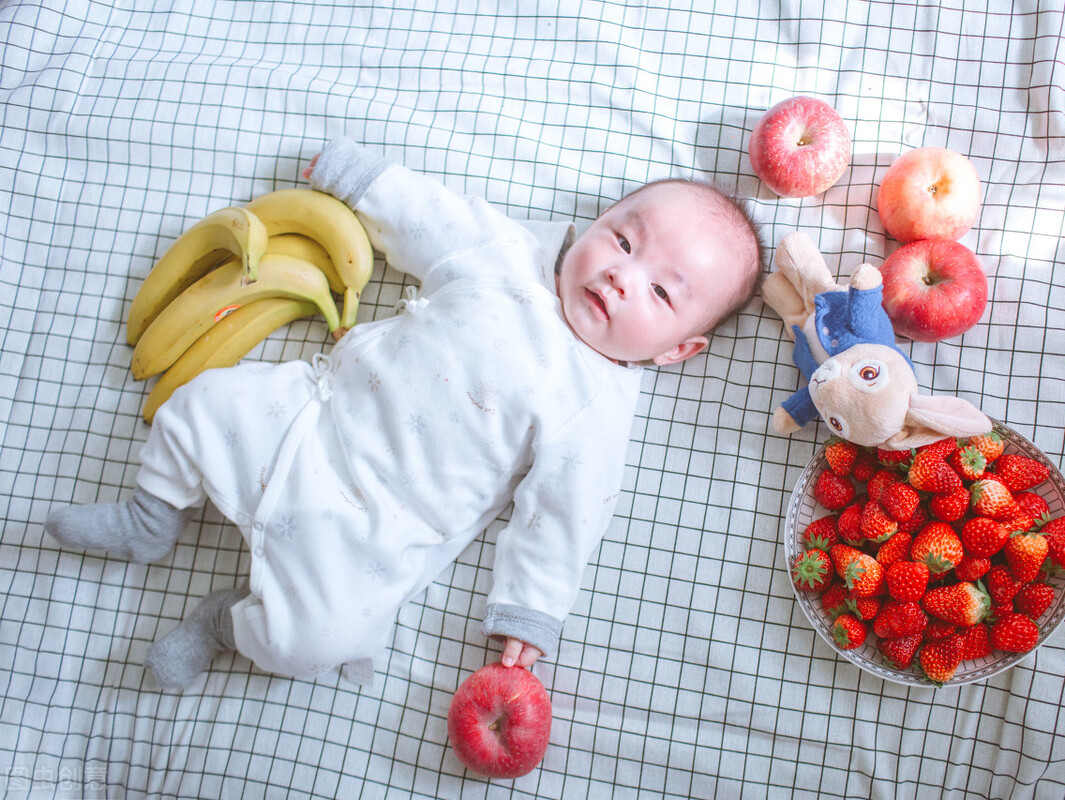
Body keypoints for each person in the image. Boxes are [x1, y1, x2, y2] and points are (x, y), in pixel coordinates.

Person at [45, 138, 765, 689]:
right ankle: (151, 516)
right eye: (623, 239)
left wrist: (530, 613)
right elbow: (428, 216)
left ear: (679, 350)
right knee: (201, 404)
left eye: (663, 294)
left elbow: (565, 520)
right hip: (312, 416)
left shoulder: (596, 405)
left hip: (379, 528)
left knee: (319, 641)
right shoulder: (506, 253)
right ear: (594, 223)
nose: (620, 275)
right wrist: (364, 179)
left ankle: (224, 624)